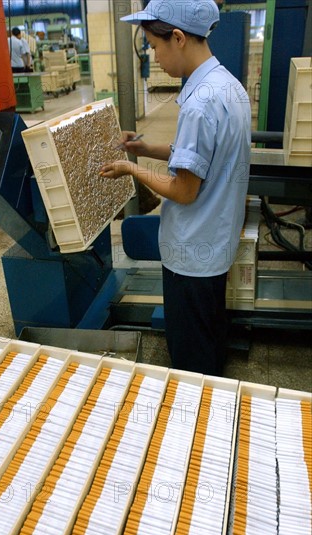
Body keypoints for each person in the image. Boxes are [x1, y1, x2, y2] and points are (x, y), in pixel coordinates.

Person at [100, 0, 251, 376]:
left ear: (179, 38)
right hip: (214, 247)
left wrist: (131, 169)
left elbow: (184, 190)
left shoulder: (199, 104)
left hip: (191, 257)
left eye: (153, 46)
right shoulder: (228, 86)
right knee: (209, 333)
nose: (155, 57)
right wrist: (146, 148)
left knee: (190, 357)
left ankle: (196, 417)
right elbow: (202, 157)